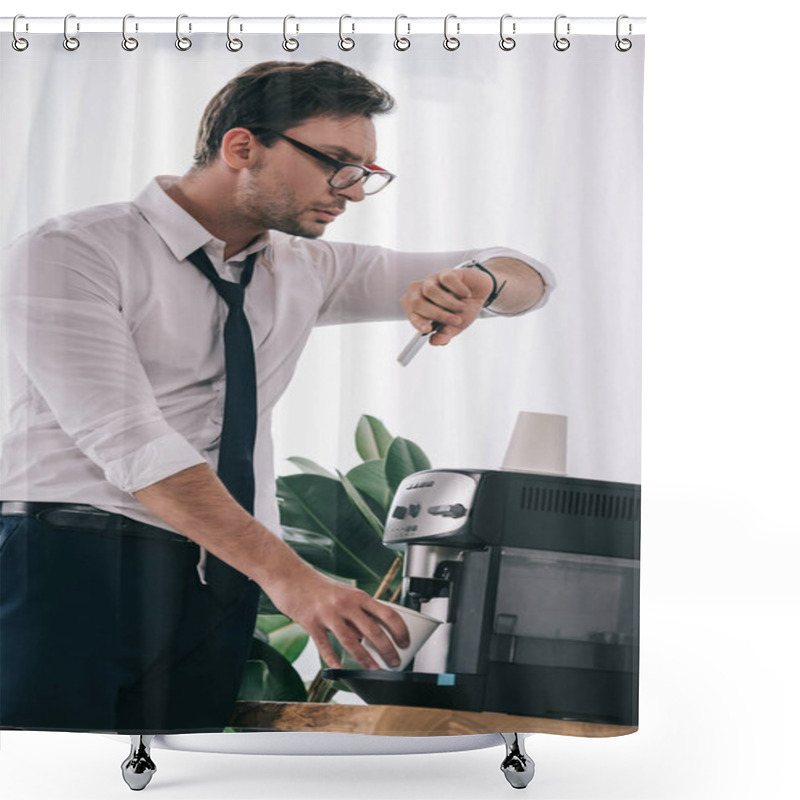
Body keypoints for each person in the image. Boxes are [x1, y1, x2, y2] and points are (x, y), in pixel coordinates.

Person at [0, 60, 554, 733]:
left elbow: (529, 276)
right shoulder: (73, 252)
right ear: (243, 148)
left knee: (184, 775)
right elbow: (133, 445)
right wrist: (292, 579)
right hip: (72, 559)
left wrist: (478, 285)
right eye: (336, 163)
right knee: (50, 773)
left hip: (221, 577)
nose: (350, 191)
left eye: (366, 174)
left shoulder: (308, 269)